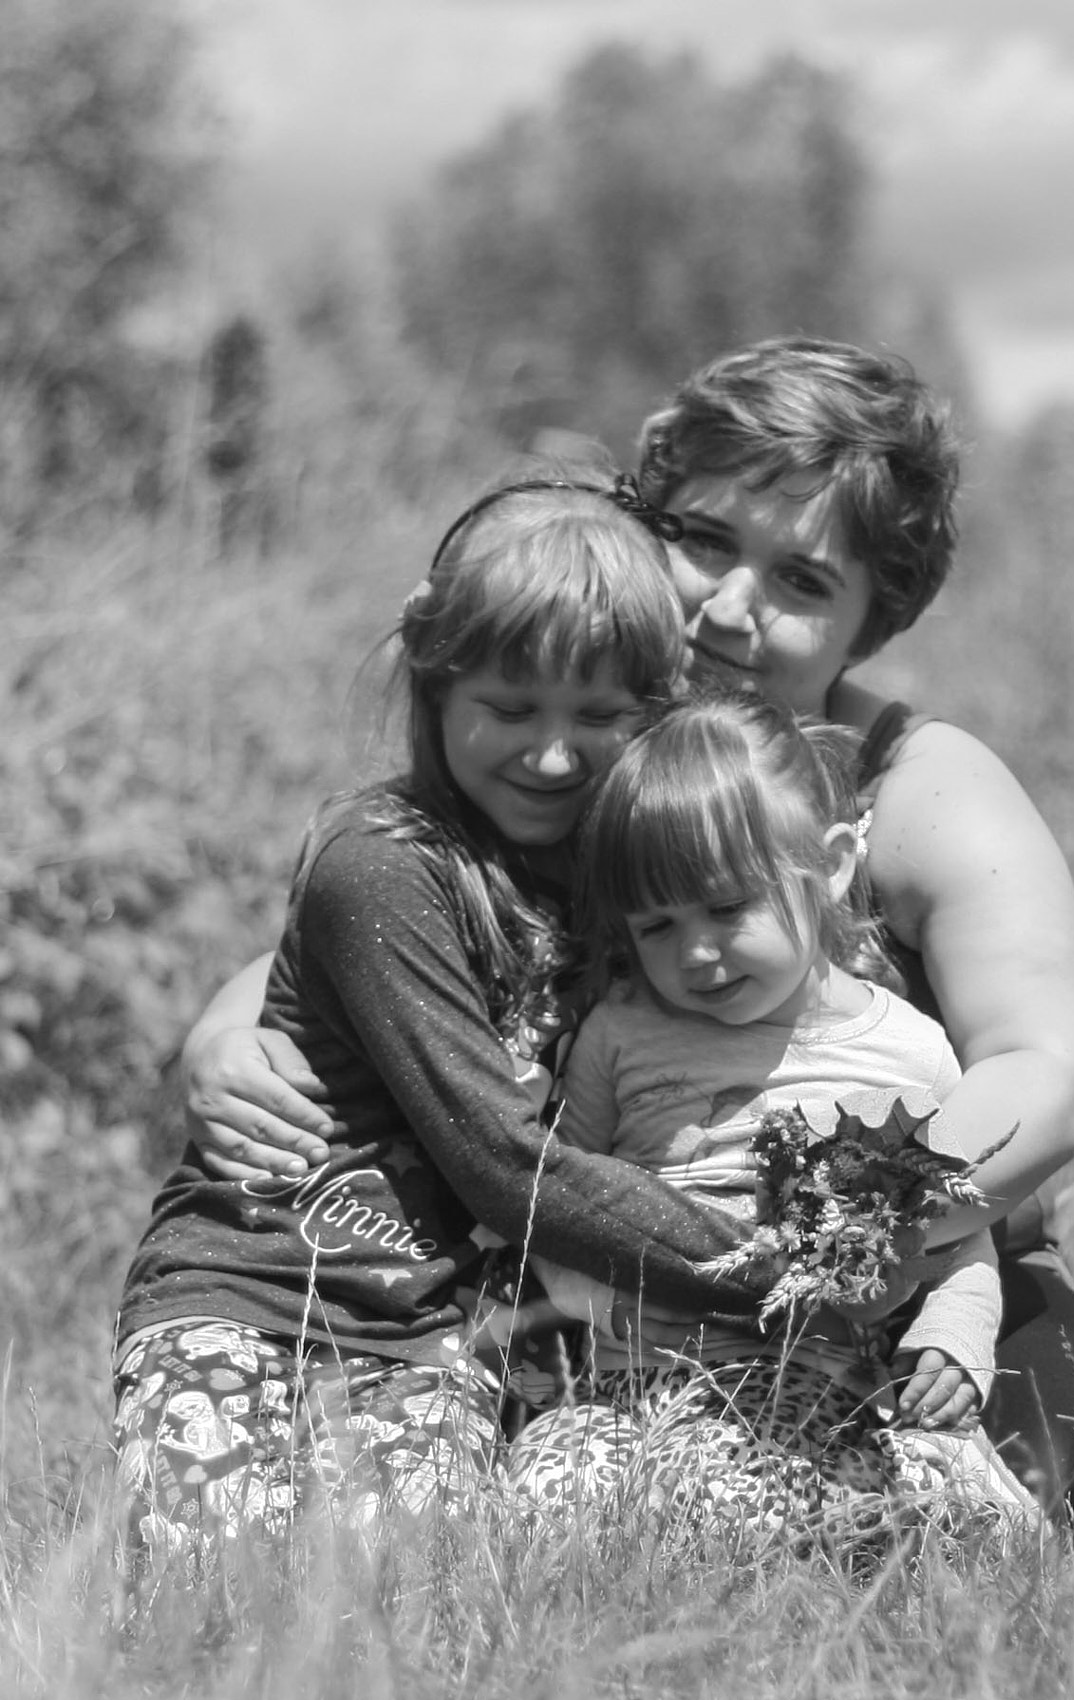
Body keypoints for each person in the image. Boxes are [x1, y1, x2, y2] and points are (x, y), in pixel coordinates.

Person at [178, 336, 1074, 1546]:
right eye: (702, 540)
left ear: (871, 619)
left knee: (1057, 1487)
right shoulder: (583, 745)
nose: (727, 607)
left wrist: (832, 1237)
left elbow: (1046, 1071)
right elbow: (392, 908)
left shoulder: (920, 785)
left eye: (801, 582)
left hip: (922, 1262)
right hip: (628, 1268)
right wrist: (230, 1020)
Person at [113, 474, 786, 1550]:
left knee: (411, 1592)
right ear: (434, 687)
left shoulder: (639, 886)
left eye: (600, 716)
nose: (553, 754)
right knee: (218, 1573)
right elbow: (501, 1162)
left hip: (434, 1336)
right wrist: (768, 1267)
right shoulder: (381, 862)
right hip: (253, 1288)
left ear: (656, 712)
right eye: (510, 709)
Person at [508, 691, 1040, 1538]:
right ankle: (763, 1533)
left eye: (727, 908)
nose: (697, 953)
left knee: (980, 1519)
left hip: (837, 1377)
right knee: (545, 1493)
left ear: (830, 865)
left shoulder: (907, 1051)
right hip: (646, 1377)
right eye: (656, 927)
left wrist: (954, 1340)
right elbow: (556, 1205)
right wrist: (615, 1307)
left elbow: (959, 1233)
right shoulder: (618, 1036)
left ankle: (834, 1536)